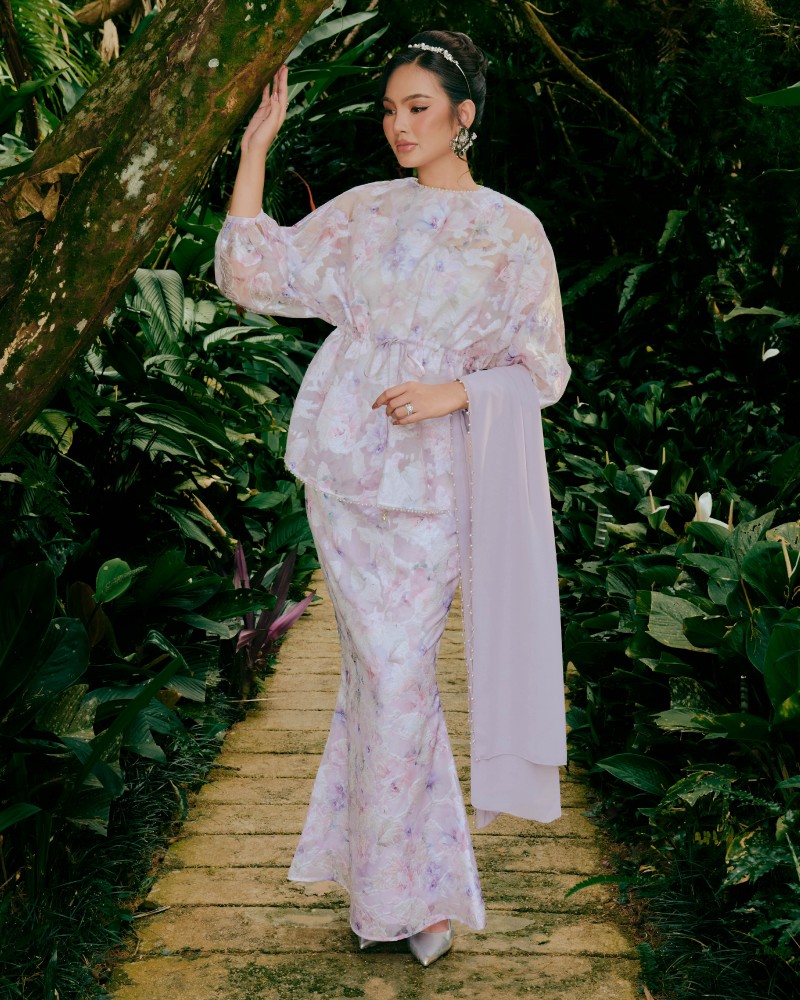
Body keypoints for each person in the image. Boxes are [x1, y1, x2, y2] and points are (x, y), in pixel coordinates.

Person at [213, 29, 571, 968]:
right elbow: (253, 273)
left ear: (464, 117)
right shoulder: (365, 211)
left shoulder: (513, 231)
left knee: (400, 677)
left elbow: (544, 369)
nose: (399, 126)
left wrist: (455, 391)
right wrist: (255, 150)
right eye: (389, 109)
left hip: (436, 484)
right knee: (378, 678)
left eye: (419, 108)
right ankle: (399, 891)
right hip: (344, 474)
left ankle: (398, 888)